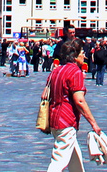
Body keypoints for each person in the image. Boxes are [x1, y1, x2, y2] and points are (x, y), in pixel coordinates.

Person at [43, 39, 100, 172]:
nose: (84, 55)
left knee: (75, 161)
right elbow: (79, 101)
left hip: (55, 120)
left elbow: (44, 95)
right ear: (74, 56)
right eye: (81, 52)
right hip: (67, 121)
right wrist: (94, 124)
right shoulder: (75, 72)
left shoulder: (56, 71)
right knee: (59, 160)